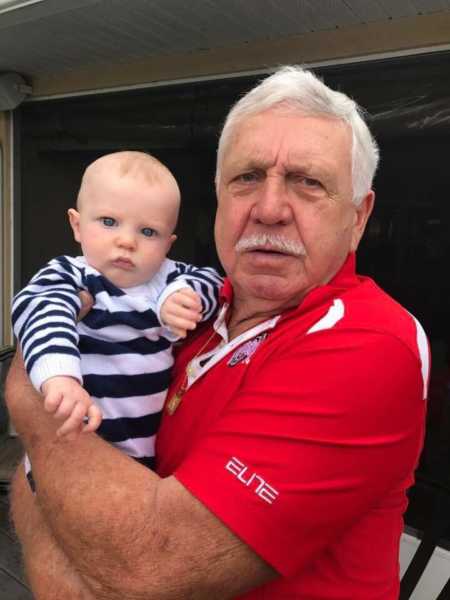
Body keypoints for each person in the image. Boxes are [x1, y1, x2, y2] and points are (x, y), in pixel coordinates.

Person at [7, 66, 429, 599]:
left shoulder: (368, 342)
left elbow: (147, 566)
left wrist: (31, 395)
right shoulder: (192, 309)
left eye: (308, 182)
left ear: (359, 217)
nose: (270, 209)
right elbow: (41, 484)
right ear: (219, 197)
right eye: (247, 177)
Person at [12, 151, 222, 474]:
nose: (126, 241)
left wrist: (181, 296)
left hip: (143, 457)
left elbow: (212, 282)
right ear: (77, 225)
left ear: (168, 244)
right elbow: (39, 308)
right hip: (73, 441)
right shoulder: (72, 274)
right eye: (109, 222)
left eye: (148, 232)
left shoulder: (166, 277)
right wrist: (59, 376)